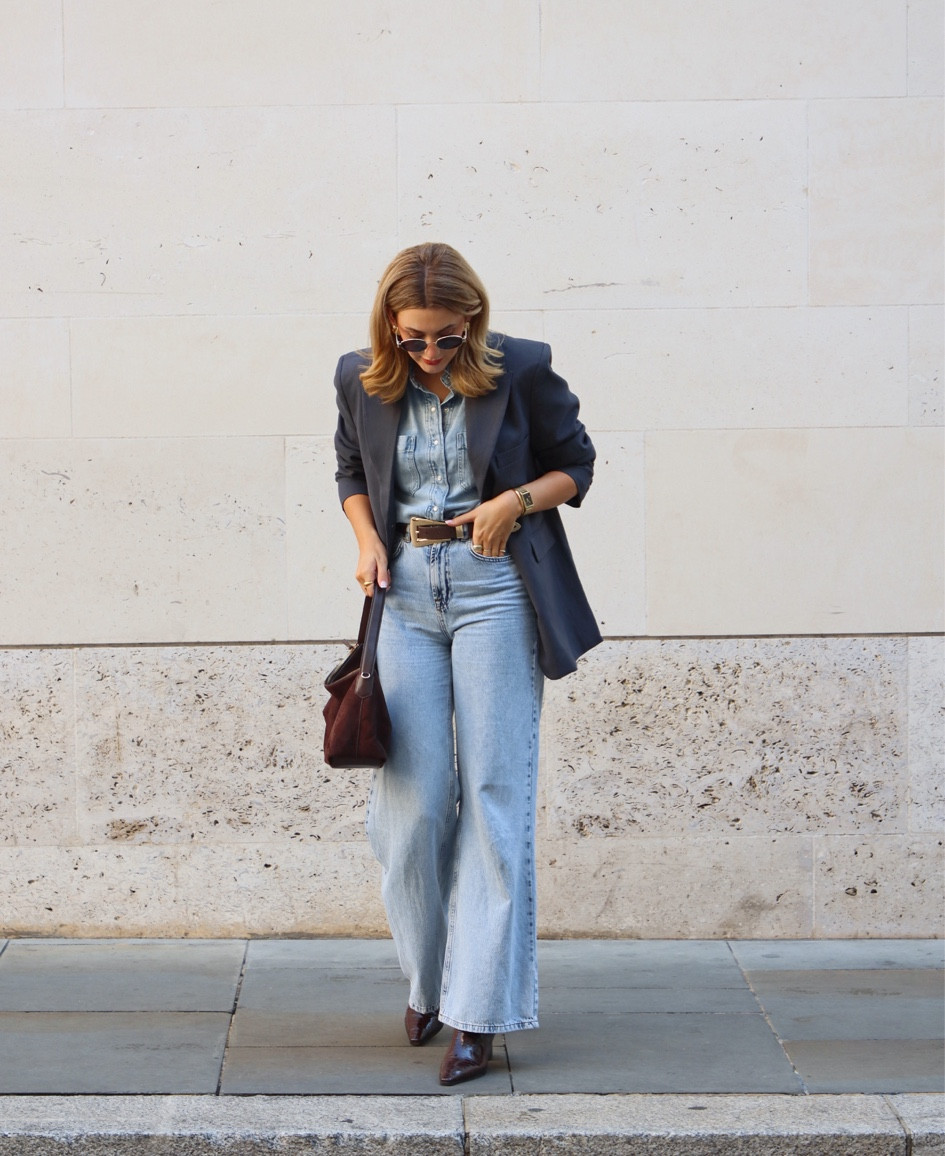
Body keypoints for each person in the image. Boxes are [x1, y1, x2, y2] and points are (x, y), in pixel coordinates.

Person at [332, 242, 600, 1086]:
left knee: (492, 796)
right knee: (408, 810)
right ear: (389, 328)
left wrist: (513, 501)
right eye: (414, 339)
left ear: (472, 320)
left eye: (446, 336)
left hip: (495, 589)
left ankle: (478, 1012)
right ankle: (429, 980)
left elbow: (576, 465)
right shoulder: (362, 377)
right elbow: (348, 467)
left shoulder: (519, 368)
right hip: (405, 593)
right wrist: (368, 540)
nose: (431, 353)